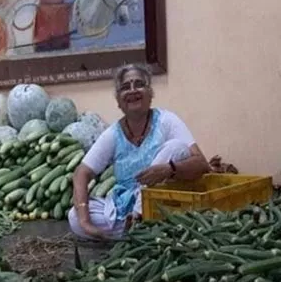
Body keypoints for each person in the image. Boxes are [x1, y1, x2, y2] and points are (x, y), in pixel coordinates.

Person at [68, 63, 212, 241]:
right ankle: (138, 229)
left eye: (139, 84)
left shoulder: (167, 121)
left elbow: (201, 163)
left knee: (176, 147)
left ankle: (138, 220)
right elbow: (81, 173)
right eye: (125, 87)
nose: (132, 90)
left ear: (150, 94)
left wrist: (169, 169)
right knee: (74, 217)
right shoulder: (114, 134)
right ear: (119, 101)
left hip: (163, 203)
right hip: (124, 208)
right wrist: (85, 220)